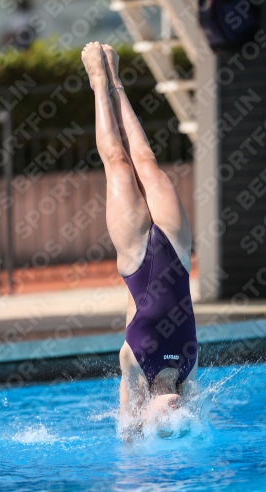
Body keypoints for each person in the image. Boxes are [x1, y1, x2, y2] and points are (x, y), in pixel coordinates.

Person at [81, 42, 198, 438]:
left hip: (135, 256)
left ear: (148, 414)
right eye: (177, 422)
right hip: (177, 249)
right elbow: (202, 426)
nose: (175, 413)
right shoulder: (189, 369)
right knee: (145, 158)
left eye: (164, 425)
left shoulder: (133, 364)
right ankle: (116, 80)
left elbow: (125, 434)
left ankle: (98, 82)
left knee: (117, 161)